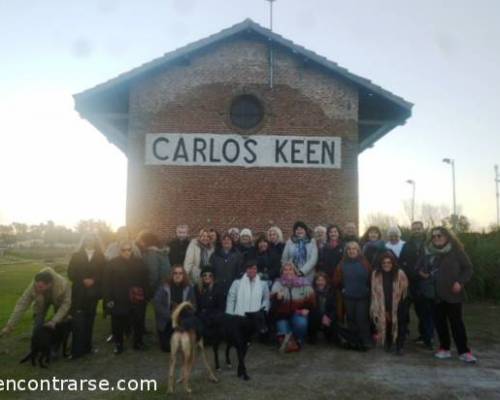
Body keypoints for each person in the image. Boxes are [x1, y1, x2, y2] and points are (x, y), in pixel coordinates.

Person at [416, 226, 476, 363]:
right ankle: (444, 348)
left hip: (453, 294)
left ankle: (464, 351)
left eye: (439, 235)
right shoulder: (427, 252)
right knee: (440, 323)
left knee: (457, 323)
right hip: (434, 294)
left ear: (447, 236)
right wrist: (421, 272)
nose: (436, 238)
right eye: (434, 236)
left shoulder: (456, 251)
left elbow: (468, 268)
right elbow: (418, 266)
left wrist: (460, 282)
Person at [103, 240, 150, 354]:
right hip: (119, 298)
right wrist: (108, 299)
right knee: (118, 323)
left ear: (132, 250)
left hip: (136, 297)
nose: (127, 252)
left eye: (129, 249)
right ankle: (118, 344)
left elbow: (145, 280)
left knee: (138, 321)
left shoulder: (140, 263)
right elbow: (107, 283)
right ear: (120, 251)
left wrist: (146, 295)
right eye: (124, 250)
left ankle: (138, 343)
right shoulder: (112, 263)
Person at [1, 268, 71, 337]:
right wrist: (9, 326)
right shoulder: (34, 286)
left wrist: (54, 321)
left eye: (40, 287)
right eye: (37, 286)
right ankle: (37, 341)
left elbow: (66, 304)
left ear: (50, 284)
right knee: (37, 324)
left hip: (59, 301)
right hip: (42, 301)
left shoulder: (63, 285)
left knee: (59, 323)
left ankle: (57, 341)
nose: (38, 288)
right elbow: (22, 304)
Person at [67, 233, 106, 359]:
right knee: (78, 320)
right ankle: (77, 350)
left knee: (90, 320)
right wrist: (83, 279)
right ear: (83, 241)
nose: (89, 241)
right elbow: (70, 273)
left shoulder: (101, 257)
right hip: (78, 292)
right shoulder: (76, 255)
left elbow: (104, 273)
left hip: (93, 293)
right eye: (87, 239)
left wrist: (94, 280)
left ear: (96, 241)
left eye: (92, 239)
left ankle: (87, 347)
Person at [400, 221, 433, 348]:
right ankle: (402, 336)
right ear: (411, 230)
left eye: (419, 229)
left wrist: (428, 274)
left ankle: (427, 338)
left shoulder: (429, 244)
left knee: (425, 313)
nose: (416, 231)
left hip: (424, 283)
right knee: (404, 312)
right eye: (414, 229)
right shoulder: (407, 245)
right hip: (409, 283)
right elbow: (401, 262)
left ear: (423, 229)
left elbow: (434, 262)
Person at [334, 241, 373, 349]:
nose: (351, 251)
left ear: (358, 251)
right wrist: (343, 289)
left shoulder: (365, 262)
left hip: (363, 296)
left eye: (354, 249)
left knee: (362, 319)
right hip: (348, 296)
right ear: (346, 251)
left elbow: (372, 277)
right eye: (349, 249)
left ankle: (366, 341)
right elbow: (336, 280)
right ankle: (354, 341)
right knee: (351, 319)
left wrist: (367, 289)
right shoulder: (342, 264)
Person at [271, 262, 316, 352]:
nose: (288, 272)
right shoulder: (277, 283)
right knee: (284, 336)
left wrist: (307, 309)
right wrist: (277, 298)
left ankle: (298, 339)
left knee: (301, 323)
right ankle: (291, 340)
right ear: (282, 272)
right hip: (282, 316)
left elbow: (312, 300)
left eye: (290, 269)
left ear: (295, 271)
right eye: (285, 270)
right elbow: (273, 305)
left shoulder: (304, 283)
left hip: (298, 313)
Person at [370, 251, 409, 354]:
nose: (386, 265)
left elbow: (405, 291)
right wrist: (382, 307)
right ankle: (388, 342)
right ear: (380, 264)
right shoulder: (375, 274)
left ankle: (400, 346)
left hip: (399, 304)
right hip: (383, 304)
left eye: (389, 262)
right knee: (387, 323)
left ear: (393, 263)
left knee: (400, 324)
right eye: (384, 263)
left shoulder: (400, 273)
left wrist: (400, 305)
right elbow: (374, 291)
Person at [153, 265, 195, 352]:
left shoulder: (189, 287)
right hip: (167, 320)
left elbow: (193, 305)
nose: (178, 275)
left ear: (184, 275)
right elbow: (157, 304)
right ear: (171, 275)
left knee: (185, 345)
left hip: (182, 319)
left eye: (180, 273)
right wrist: (171, 316)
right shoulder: (163, 287)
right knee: (167, 348)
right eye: (175, 273)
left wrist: (184, 316)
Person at [195, 266, 225, 344]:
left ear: (213, 277)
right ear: (201, 277)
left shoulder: (218, 289)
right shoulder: (196, 288)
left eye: (210, 275)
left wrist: (212, 317)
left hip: (213, 319)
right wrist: (201, 315)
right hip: (200, 318)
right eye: (205, 275)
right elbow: (195, 306)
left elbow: (221, 308)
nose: (207, 277)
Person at [209, 233, 243, 298]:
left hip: (232, 288)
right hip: (218, 288)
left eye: (228, 239)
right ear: (221, 242)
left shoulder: (238, 255)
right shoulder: (215, 255)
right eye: (224, 239)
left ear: (232, 242)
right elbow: (211, 270)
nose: (226, 241)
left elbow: (239, 272)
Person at [308, 272, 338, 345]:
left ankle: (328, 335)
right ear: (315, 282)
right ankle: (312, 336)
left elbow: (334, 307)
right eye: (318, 280)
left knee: (334, 323)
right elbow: (312, 307)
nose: (320, 282)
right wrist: (322, 316)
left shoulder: (331, 292)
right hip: (316, 316)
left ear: (326, 281)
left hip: (328, 316)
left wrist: (329, 317)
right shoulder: (311, 291)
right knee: (313, 318)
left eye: (322, 280)